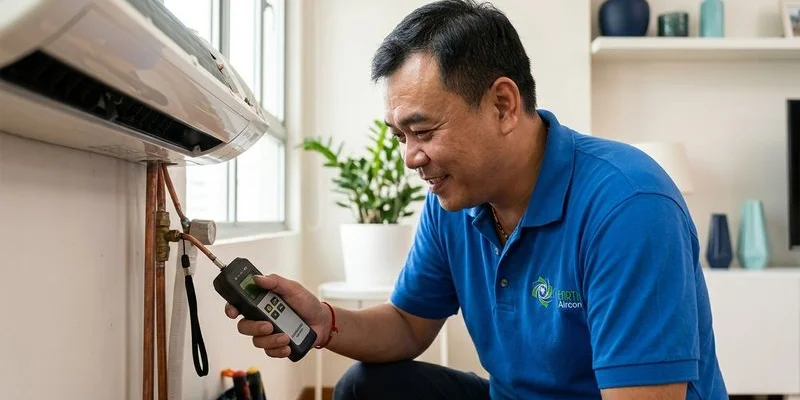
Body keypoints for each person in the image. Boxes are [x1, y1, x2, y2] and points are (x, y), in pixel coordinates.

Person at [225, 0, 729, 398]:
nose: (410, 158)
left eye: (422, 130)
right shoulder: (455, 200)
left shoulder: (629, 206)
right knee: (366, 387)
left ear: (503, 105)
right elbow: (406, 325)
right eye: (401, 136)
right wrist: (323, 320)